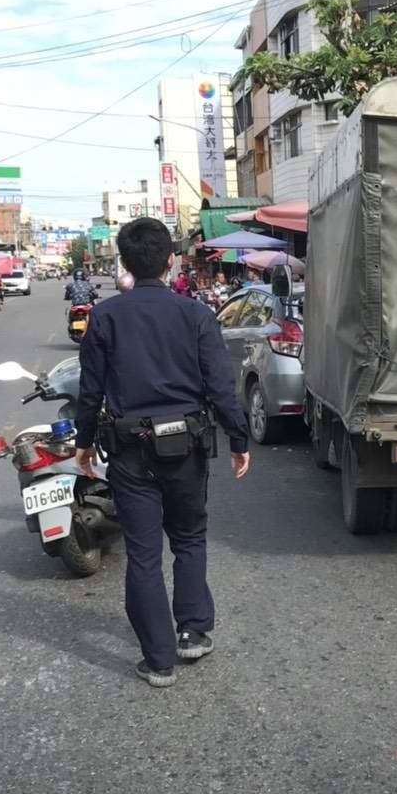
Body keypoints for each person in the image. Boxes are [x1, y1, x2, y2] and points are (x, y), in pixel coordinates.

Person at [75, 218, 251, 689]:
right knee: (190, 539)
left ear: (125, 264)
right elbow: (221, 386)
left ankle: (158, 661)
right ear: (170, 260)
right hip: (187, 449)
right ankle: (193, 632)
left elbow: (89, 391)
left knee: (144, 554)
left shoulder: (105, 317)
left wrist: (83, 442)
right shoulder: (194, 315)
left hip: (130, 452)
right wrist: (239, 439)